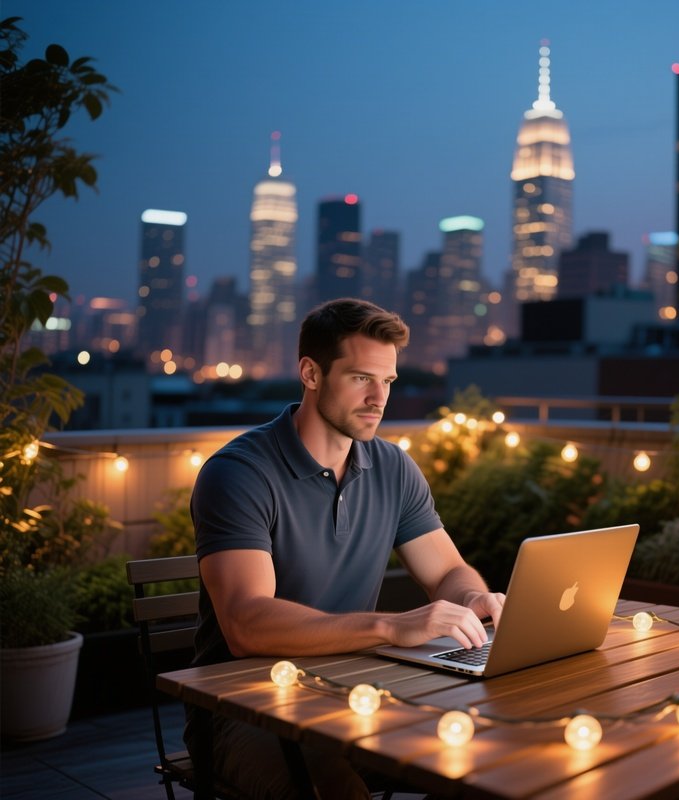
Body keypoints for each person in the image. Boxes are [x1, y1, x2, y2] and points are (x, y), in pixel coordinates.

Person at [186, 297, 505, 799]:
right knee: (335, 790)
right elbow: (246, 623)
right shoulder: (239, 474)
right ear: (311, 374)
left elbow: (448, 573)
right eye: (361, 378)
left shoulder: (393, 468)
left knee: (488, 758)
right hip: (247, 708)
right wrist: (391, 626)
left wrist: (474, 600)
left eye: (389, 382)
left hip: (360, 691)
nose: (379, 398)